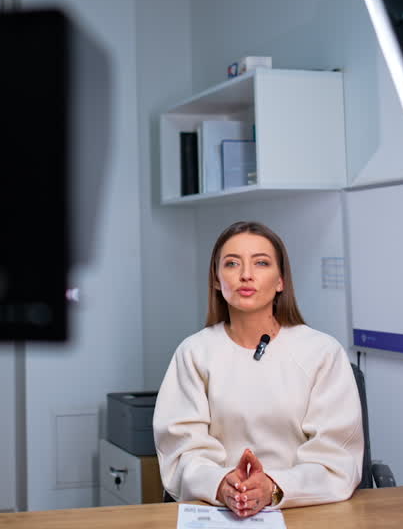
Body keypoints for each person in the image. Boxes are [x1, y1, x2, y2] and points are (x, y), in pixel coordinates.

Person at [153, 221, 363, 516]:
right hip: (218, 511)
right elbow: (181, 449)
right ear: (216, 280)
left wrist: (273, 486)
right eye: (232, 263)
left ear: (281, 281)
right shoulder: (194, 352)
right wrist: (222, 483)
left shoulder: (322, 352)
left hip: (305, 509)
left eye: (261, 263)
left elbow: (337, 458)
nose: (246, 275)